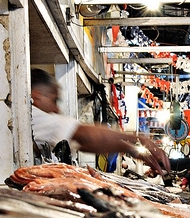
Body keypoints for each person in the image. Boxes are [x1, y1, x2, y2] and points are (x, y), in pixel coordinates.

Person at [30, 68, 170, 174]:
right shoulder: (33, 114)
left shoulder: (37, 123)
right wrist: (137, 140)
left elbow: (84, 144)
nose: (57, 109)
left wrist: (131, 148)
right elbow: (84, 136)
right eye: (54, 100)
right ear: (37, 96)